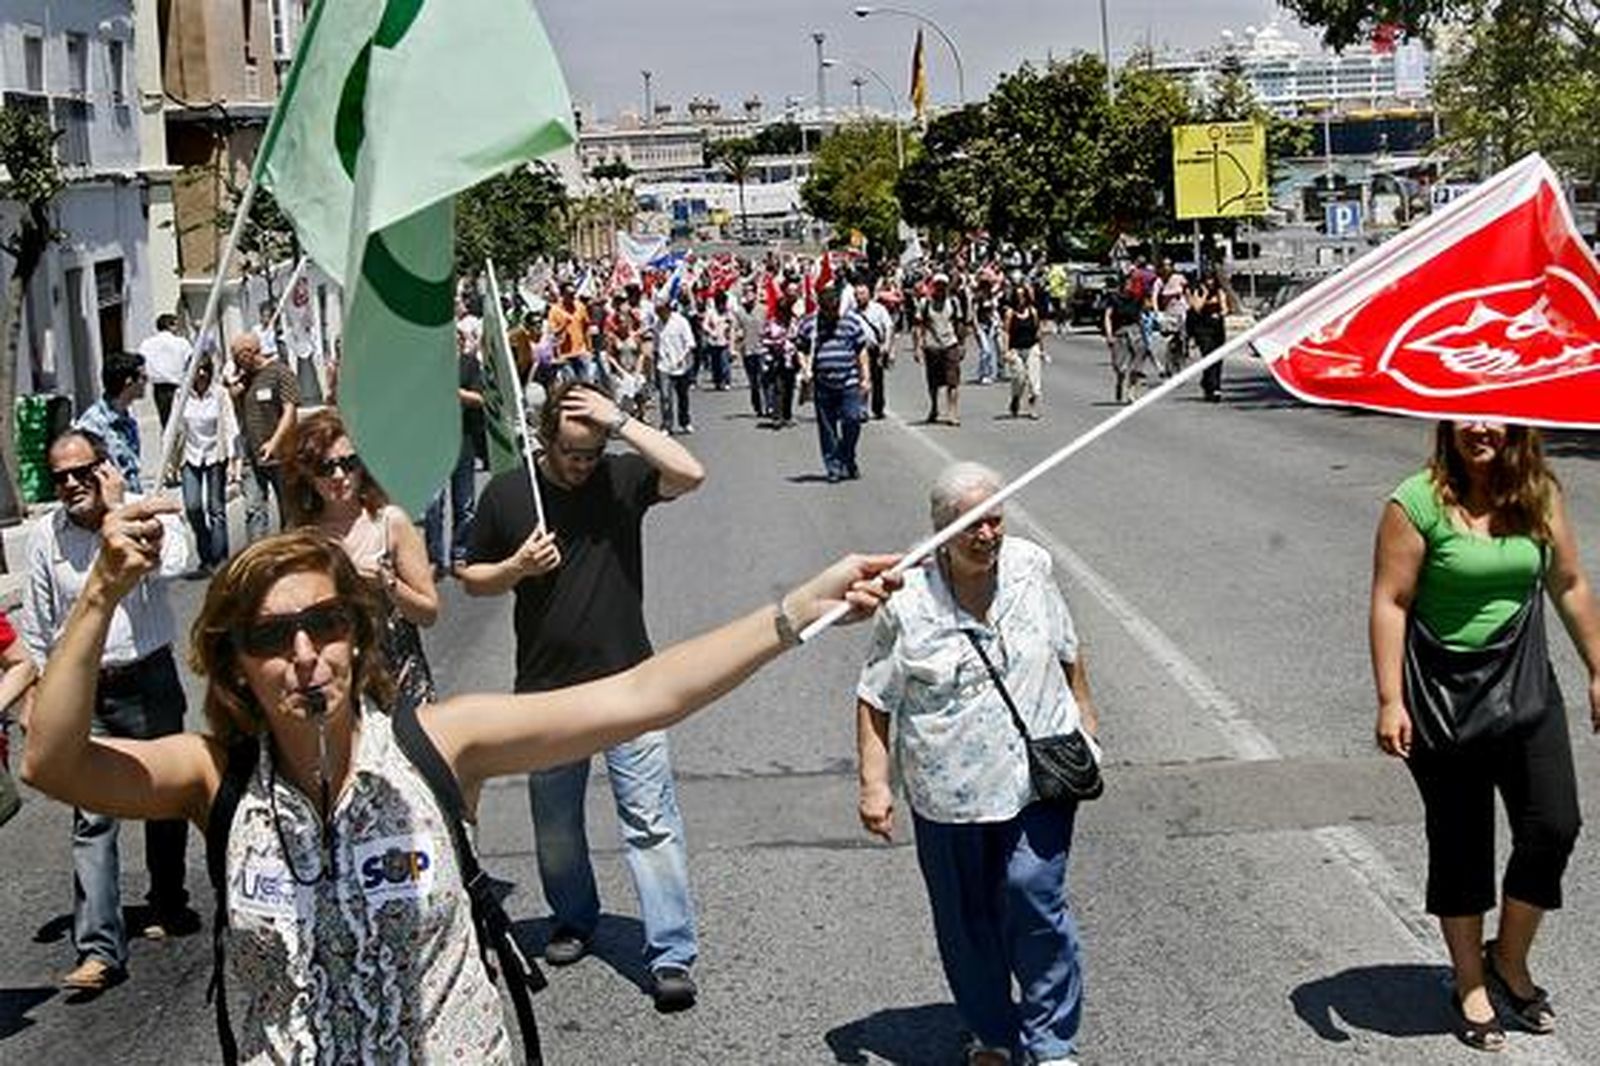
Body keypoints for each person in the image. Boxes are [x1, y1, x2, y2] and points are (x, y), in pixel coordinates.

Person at [21, 511, 897, 1061]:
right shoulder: (216, 774)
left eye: (325, 624)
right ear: (235, 665)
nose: (302, 654)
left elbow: (641, 696)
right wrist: (102, 592)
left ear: (358, 640)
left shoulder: (440, 742)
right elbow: (54, 764)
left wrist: (802, 609)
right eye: (271, 636)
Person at [460, 380, 713, 1011]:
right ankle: (574, 918)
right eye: (571, 453)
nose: (581, 465)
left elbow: (691, 472)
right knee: (555, 827)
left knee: (651, 820)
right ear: (544, 439)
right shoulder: (511, 492)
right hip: (546, 691)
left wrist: (619, 421)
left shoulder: (621, 478)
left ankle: (672, 952)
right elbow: (471, 577)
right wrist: (516, 568)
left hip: (630, 683)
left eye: (591, 453)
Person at [856, 462, 1098, 1066]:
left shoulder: (1031, 566)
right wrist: (874, 784)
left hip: (1037, 773)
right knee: (967, 917)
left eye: (996, 520)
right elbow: (874, 696)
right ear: (941, 528)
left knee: (1033, 892)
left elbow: (1065, 646)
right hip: (949, 790)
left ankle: (1050, 1041)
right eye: (972, 525)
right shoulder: (905, 597)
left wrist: (1086, 725)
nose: (988, 535)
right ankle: (992, 1032)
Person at [1370, 422, 1599, 1052]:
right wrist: (1391, 700)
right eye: (1467, 414)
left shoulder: (1539, 494)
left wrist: (1598, 668)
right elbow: (1390, 601)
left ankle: (1511, 957)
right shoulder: (1415, 501)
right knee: (1461, 839)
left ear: (1517, 424)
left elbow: (1570, 584)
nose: (1481, 427)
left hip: (1525, 687)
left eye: (1494, 414)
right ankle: (1470, 981)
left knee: (1554, 824)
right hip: (1443, 699)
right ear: (1447, 423)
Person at [20, 430, 197, 993]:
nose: (71, 484)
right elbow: (41, 628)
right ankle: (98, 947)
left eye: (82, 471)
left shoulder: (141, 513)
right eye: (60, 477)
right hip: (87, 690)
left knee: (165, 797)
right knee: (90, 816)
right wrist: (41, 700)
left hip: (148, 680)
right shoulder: (46, 538)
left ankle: (169, 899)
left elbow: (176, 563)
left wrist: (122, 512)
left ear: (105, 469)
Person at [227, 332, 298, 544]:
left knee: (289, 510)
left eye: (236, 356)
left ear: (249, 353)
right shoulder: (244, 380)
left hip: (281, 454)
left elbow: (290, 411)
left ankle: (290, 553)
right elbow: (238, 418)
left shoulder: (279, 372)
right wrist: (234, 393)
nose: (233, 361)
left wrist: (274, 442)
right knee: (253, 511)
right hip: (251, 455)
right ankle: (258, 556)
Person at [424, 333, 485, 578]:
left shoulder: (469, 364)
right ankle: (435, 558)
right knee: (432, 504)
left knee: (465, 503)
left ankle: (460, 553)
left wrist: (455, 392)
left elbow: (480, 398)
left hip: (463, 439)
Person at [798, 287, 871, 483]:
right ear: (821, 308)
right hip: (823, 384)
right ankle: (834, 467)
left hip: (848, 382)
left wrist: (866, 377)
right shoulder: (810, 325)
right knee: (827, 428)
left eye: (835, 309)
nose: (833, 313)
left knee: (853, 419)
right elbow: (801, 349)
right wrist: (805, 368)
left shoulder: (850, 322)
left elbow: (861, 350)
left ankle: (847, 456)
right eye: (829, 310)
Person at [178, 356, 239, 574]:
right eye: (197, 369)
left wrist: (233, 459)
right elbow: (175, 427)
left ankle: (220, 559)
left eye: (205, 369)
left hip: (215, 455)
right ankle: (206, 554)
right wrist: (169, 460)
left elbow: (230, 425)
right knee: (193, 507)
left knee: (216, 509)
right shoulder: (182, 395)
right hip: (190, 455)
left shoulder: (220, 394)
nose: (201, 374)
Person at [74, 352, 148, 493]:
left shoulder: (128, 420)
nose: (146, 383)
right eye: (143, 378)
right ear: (128, 381)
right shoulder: (91, 425)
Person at [913, 273, 965, 426]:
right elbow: (918, 326)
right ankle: (934, 407)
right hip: (932, 346)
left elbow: (960, 323)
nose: (941, 288)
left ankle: (952, 412)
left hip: (950, 344)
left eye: (944, 285)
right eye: (938, 285)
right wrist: (917, 347)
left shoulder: (953, 303)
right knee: (933, 382)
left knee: (953, 381)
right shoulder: (925, 304)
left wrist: (962, 344)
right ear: (934, 286)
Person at [1102, 275, 1153, 405]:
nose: (1130, 286)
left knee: (1136, 365)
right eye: (1128, 284)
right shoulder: (1114, 298)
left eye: (1132, 284)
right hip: (1120, 332)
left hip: (1135, 331)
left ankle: (1131, 392)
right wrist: (1109, 334)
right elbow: (1108, 316)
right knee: (1120, 367)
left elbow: (1144, 313)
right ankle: (1120, 381)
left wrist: (1146, 335)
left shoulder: (1137, 298)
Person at [138, 314, 192, 431]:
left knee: (166, 424)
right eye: (176, 325)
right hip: (179, 386)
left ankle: (168, 447)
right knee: (182, 423)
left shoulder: (147, 344)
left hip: (159, 389)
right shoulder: (182, 343)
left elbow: (141, 363)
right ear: (170, 325)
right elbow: (190, 362)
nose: (178, 329)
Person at [654, 296, 697, 435]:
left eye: (661, 310)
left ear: (668, 309)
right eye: (657, 310)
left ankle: (685, 421)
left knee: (682, 396)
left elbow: (690, 343)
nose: (659, 313)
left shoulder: (681, 322)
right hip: (664, 365)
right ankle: (666, 424)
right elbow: (656, 346)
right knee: (665, 396)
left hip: (681, 365)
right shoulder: (657, 325)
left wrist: (682, 358)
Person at [855, 282, 897, 421]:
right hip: (859, 350)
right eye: (857, 294)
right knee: (862, 379)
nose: (859, 297)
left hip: (875, 349)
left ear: (869, 295)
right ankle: (862, 409)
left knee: (877, 380)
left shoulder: (878, 309)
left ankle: (878, 408)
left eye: (862, 294)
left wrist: (887, 346)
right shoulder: (852, 312)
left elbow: (889, 327)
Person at [1003, 284, 1045, 420]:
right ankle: (1016, 398)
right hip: (1016, 349)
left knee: (1034, 381)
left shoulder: (1033, 312)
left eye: (1023, 296)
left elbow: (1038, 331)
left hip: (1032, 348)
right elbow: (1006, 332)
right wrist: (1006, 351)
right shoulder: (1010, 313)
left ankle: (1032, 407)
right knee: (1019, 378)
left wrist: (1042, 350)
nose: (1021, 299)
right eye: (1018, 296)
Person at [762, 286, 801, 428]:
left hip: (791, 359)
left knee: (790, 388)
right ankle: (776, 417)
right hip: (777, 359)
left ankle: (787, 415)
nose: (784, 314)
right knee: (778, 387)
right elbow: (765, 339)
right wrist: (775, 344)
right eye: (782, 310)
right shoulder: (772, 323)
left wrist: (794, 343)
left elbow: (799, 338)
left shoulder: (794, 321)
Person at [1188, 269, 1229, 403]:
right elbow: (1197, 308)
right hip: (1202, 329)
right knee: (1208, 356)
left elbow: (1225, 308)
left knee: (1217, 359)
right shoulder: (1197, 292)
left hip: (1217, 328)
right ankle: (1213, 387)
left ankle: (1212, 385)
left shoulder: (1219, 291)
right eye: (1207, 279)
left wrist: (1221, 313)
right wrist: (1204, 294)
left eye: (1211, 279)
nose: (1209, 282)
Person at [547, 282, 595, 384]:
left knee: (586, 384)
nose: (573, 296)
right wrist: (564, 325)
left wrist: (589, 348)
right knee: (572, 385)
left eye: (574, 293)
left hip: (581, 352)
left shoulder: (580, 307)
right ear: (562, 295)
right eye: (570, 294)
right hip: (565, 356)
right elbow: (553, 334)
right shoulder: (554, 311)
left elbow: (586, 329)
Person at [732, 287, 767, 418]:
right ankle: (757, 406)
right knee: (753, 382)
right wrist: (733, 347)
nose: (749, 295)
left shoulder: (764, 309)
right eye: (746, 292)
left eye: (751, 292)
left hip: (762, 349)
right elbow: (734, 329)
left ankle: (768, 405)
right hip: (747, 350)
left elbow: (769, 325)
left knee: (764, 378)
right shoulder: (740, 312)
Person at [700, 290, 733, 390]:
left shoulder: (728, 312)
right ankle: (717, 381)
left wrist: (729, 326)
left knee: (725, 362)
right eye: (720, 304)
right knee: (715, 364)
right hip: (713, 341)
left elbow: (733, 324)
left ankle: (726, 381)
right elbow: (704, 325)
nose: (722, 307)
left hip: (724, 341)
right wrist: (711, 331)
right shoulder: (711, 312)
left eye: (723, 304)